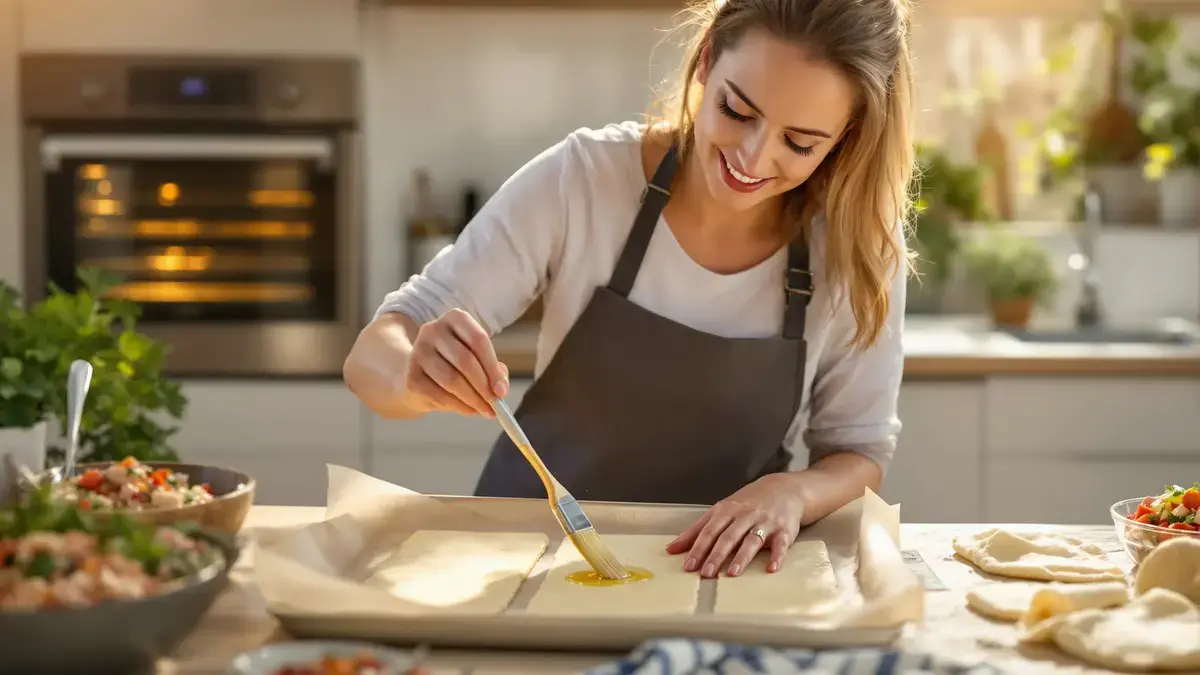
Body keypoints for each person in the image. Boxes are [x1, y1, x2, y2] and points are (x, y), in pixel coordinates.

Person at [344, 0, 914, 580]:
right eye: (737, 110)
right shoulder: (585, 180)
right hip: (526, 562)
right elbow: (374, 354)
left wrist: (795, 493)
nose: (753, 156)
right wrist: (414, 373)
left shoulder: (852, 245)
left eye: (800, 144)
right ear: (708, 58)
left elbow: (859, 451)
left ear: (849, 135)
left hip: (716, 579)